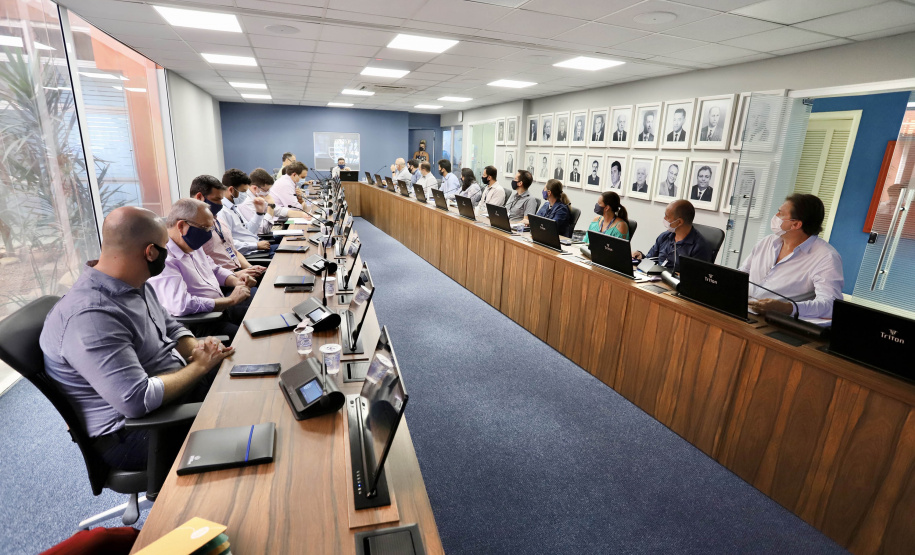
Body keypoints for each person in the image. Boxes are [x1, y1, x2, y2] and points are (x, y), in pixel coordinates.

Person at [40, 206, 235, 470]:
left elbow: (172, 327)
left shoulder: (134, 281)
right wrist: (200, 366)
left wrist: (197, 348)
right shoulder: (91, 316)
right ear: (151, 252)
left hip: (171, 394)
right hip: (134, 433)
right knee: (242, 425)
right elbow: (136, 399)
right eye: (165, 247)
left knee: (247, 381)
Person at [148, 198, 253, 340]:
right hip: (201, 323)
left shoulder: (192, 246)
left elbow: (214, 270)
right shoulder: (165, 259)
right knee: (248, 338)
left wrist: (235, 281)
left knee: (259, 316)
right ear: (182, 226)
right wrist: (231, 301)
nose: (209, 233)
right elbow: (182, 304)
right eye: (205, 228)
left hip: (221, 309)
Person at [741, 194, 843, 318]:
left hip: (774, 322)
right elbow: (742, 273)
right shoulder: (767, 241)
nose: (776, 216)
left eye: (780, 213)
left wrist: (787, 308)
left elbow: (830, 305)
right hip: (742, 309)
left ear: (795, 225)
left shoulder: (826, 257)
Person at [192, 174, 268, 283]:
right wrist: (235, 275)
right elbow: (203, 272)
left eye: (221, 199)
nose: (220, 204)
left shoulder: (218, 219)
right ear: (199, 197)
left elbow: (233, 250)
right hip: (225, 281)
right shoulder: (192, 230)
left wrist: (249, 268)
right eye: (217, 199)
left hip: (238, 271)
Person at [633, 200, 711, 272]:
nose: (664, 218)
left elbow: (694, 278)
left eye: (667, 216)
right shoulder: (665, 236)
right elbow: (649, 260)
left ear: (679, 222)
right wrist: (641, 256)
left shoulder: (699, 247)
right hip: (655, 279)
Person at [216, 169, 274, 259]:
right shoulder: (222, 212)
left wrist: (259, 213)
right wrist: (255, 245)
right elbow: (228, 243)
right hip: (248, 254)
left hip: (256, 248)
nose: (245, 195)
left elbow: (247, 230)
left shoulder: (233, 207)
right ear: (231, 190)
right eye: (243, 191)